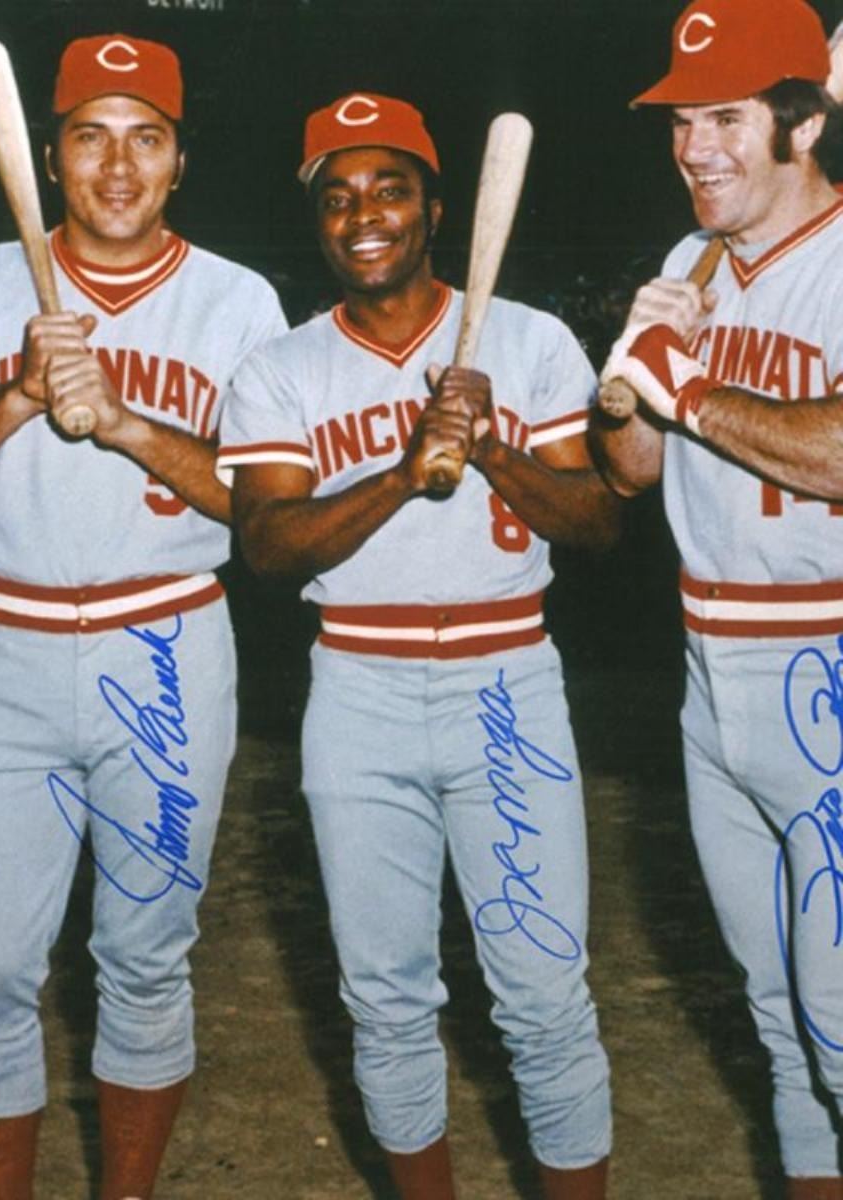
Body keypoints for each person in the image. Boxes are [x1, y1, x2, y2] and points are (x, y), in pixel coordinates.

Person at [0, 32, 286, 1200]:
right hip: (9, 648)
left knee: (145, 964)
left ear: (179, 161)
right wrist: (14, 395)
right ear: (50, 158)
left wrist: (127, 423)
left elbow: (265, 511)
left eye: (145, 139)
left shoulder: (238, 300)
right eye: (90, 137)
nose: (117, 166)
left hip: (167, 647)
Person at [218, 93, 616, 1199]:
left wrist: (492, 450)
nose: (364, 218)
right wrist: (401, 473)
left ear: (436, 209)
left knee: (544, 994)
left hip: (507, 679)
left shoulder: (530, 342)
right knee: (386, 998)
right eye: (337, 198)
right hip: (358, 685)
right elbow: (268, 545)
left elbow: (599, 523)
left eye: (389, 190)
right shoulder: (281, 368)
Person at [592, 1, 843, 1195]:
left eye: (727, 120)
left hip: (827, 669)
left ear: (803, 123)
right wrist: (626, 386)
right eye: (682, 121)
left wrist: (684, 387)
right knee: (781, 1026)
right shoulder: (689, 266)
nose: (695, 149)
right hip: (711, 671)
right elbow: (631, 474)